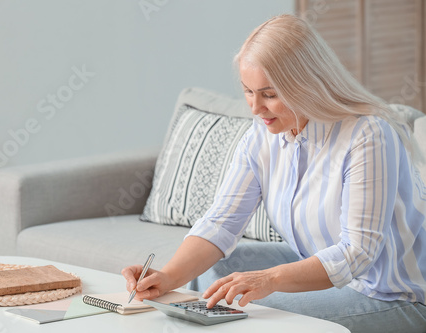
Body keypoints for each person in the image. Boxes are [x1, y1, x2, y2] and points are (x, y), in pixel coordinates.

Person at [122, 14, 426, 332]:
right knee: (217, 273)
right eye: (248, 91)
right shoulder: (263, 135)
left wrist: (270, 279)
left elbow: (357, 252)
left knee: (251, 315)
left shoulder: (367, 135)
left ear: (308, 84)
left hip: (393, 296)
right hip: (333, 282)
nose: (255, 108)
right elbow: (222, 222)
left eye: (269, 95)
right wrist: (167, 277)